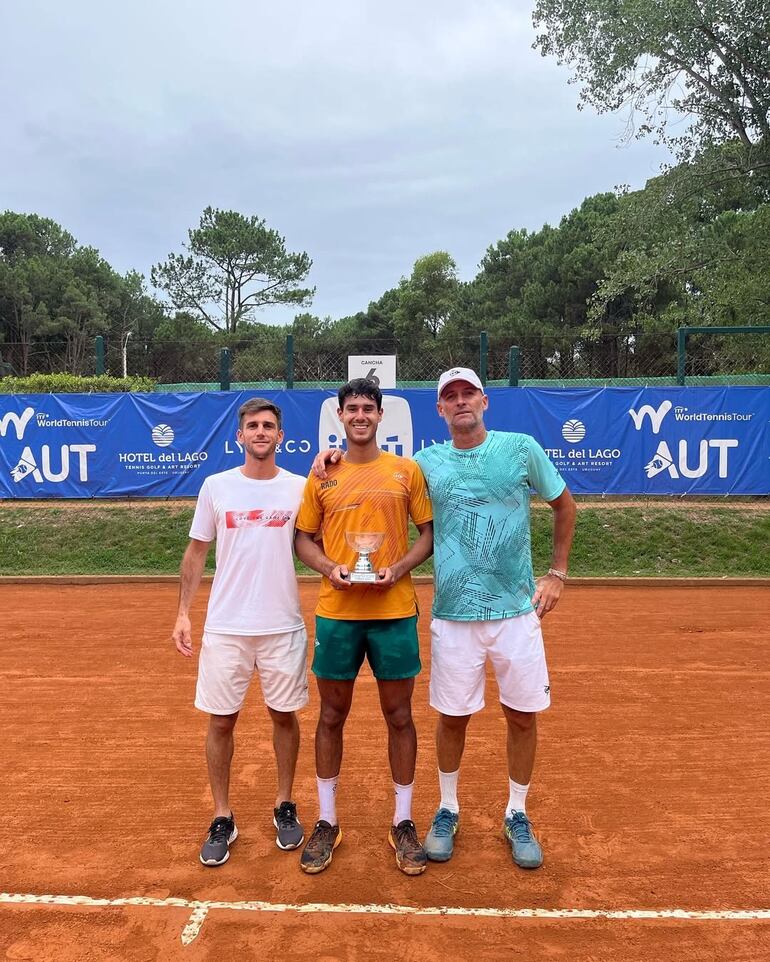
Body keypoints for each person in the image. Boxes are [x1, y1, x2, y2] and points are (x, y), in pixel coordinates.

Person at [414, 367, 576, 869]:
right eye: (451, 396)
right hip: (453, 614)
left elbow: (565, 506)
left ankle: (516, 813)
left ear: (484, 401)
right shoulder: (424, 463)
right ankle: (447, 808)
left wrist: (557, 574)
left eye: (469, 393)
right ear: (440, 409)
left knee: (522, 716)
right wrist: (327, 463)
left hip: (516, 613)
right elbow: (379, 485)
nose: (461, 401)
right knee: (452, 717)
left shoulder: (520, 448)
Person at [294, 378, 434, 876]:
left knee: (400, 715)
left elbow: (427, 534)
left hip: (393, 610)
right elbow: (303, 540)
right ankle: (327, 821)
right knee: (331, 715)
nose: (360, 415)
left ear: (380, 415)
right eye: (351, 408)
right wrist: (328, 567)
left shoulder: (405, 470)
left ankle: (403, 821)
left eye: (367, 408)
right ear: (340, 415)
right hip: (337, 612)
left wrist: (398, 568)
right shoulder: (322, 475)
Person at [172, 398, 309, 867]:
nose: (260, 431)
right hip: (227, 626)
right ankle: (222, 815)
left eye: (268, 425)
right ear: (240, 436)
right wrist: (183, 613)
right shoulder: (217, 486)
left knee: (284, 716)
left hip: (282, 625)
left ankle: (284, 803)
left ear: (280, 436)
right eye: (253, 425)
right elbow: (196, 552)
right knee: (221, 721)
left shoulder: (299, 487)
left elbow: (312, 543)